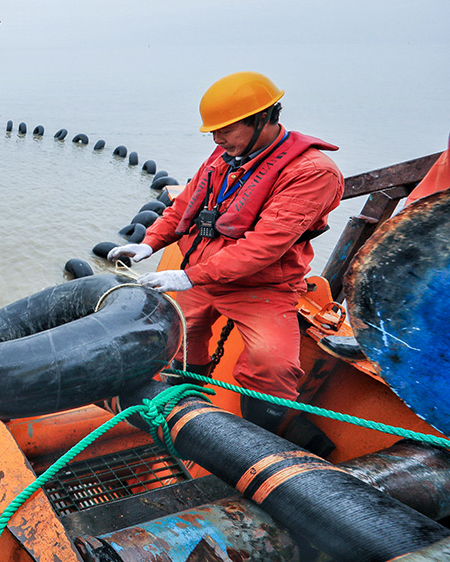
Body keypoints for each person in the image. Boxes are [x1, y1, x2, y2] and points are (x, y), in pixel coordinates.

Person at [109, 71, 344, 432]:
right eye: (214, 132)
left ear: (263, 119)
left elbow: (264, 246)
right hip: (199, 276)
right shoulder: (224, 156)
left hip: (260, 285)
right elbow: (183, 207)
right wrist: (149, 242)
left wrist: (188, 276)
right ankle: (180, 413)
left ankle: (255, 440)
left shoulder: (312, 172)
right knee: (179, 340)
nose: (217, 139)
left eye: (226, 130)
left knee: (273, 366)